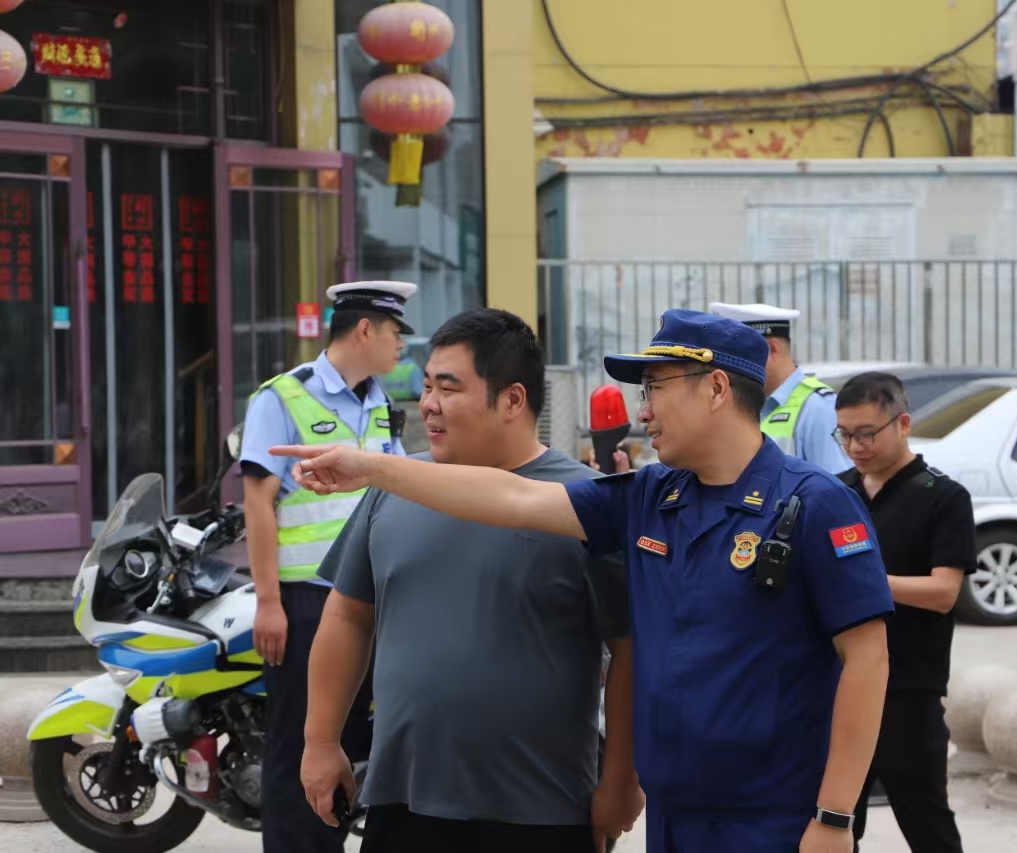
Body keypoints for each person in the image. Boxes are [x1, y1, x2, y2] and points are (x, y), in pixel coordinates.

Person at [271, 308, 896, 853]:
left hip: (774, 814)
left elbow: (868, 660)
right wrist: (371, 469)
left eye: (654, 388)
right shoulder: (653, 497)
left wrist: (835, 815)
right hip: (677, 812)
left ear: (714, 388)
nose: (642, 410)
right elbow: (516, 498)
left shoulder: (813, 504)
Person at [298, 308, 644, 853]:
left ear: (512, 400)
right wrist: (320, 741)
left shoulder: (583, 504)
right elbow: (346, 616)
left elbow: (631, 652)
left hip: (540, 811)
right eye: (427, 386)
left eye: (449, 388)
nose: (429, 403)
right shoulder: (392, 488)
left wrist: (621, 780)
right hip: (402, 803)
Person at [239, 280, 414, 853]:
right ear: (364, 330)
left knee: (356, 744)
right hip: (307, 602)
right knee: (300, 745)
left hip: (372, 598)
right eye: (394, 333)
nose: (400, 346)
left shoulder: (381, 405)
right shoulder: (282, 398)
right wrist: (269, 602)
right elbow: (258, 503)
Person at [834, 373, 974, 853]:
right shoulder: (836, 493)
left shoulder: (943, 497)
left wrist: (864, 584)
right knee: (833, 823)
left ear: (903, 424)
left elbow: (943, 591)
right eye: (845, 434)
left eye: (867, 433)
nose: (855, 447)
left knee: (927, 823)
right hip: (840, 686)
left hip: (908, 691)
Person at [708, 302, 852, 474]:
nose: (732, 367)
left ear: (772, 349)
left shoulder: (817, 407)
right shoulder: (742, 405)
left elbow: (835, 483)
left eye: (741, 357)